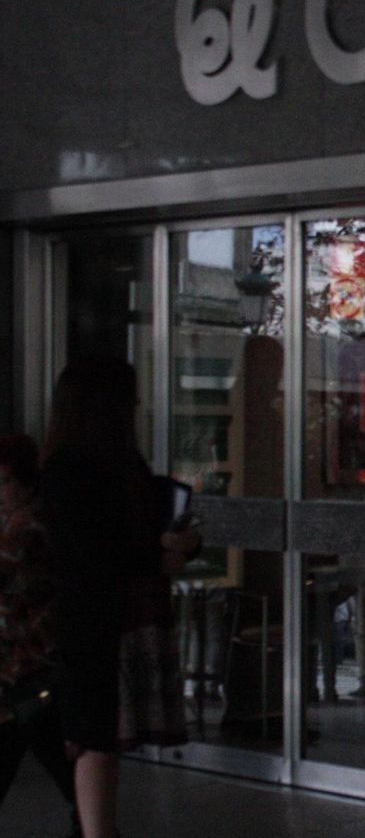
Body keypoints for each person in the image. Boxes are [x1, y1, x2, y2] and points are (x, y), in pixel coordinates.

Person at [40, 357, 199, 838]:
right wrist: (157, 555)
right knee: (96, 737)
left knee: (101, 737)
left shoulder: (115, 464)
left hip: (114, 619)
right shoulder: (71, 471)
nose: (138, 407)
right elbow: (89, 554)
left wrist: (178, 544)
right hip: (93, 622)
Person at [0, 433, 77, 834]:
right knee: (60, 760)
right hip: (38, 665)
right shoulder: (46, 516)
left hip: (24, 666)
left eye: (2, 482)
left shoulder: (23, 527)